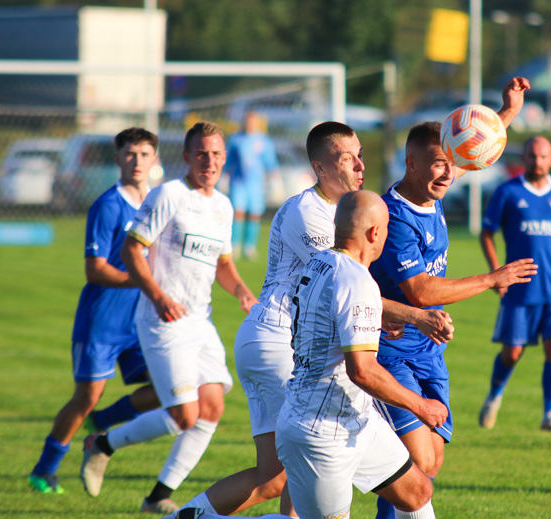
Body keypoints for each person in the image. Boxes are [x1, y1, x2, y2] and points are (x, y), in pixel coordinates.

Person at [168, 122, 454, 519]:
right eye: (345, 158)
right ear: (320, 168)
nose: (359, 165)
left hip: (284, 344)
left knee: (274, 478)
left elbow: (347, 291)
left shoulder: (342, 217)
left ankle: (188, 516)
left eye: (360, 155)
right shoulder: (311, 215)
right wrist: (414, 316)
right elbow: (348, 288)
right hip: (277, 342)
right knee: (305, 478)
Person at [370, 77, 538, 519]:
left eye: (450, 164)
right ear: (410, 163)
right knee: (418, 463)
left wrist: (508, 113)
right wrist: (491, 278)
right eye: (436, 165)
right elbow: (420, 290)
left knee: (429, 464)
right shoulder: (394, 217)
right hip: (388, 351)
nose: (447, 173)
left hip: (429, 349)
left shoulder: (433, 189)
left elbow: (471, 151)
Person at [79, 121, 258, 514]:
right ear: (186, 157)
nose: (208, 161)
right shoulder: (169, 195)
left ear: (225, 158)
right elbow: (131, 250)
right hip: (161, 320)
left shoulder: (223, 206)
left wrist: (243, 290)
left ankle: (158, 495)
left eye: (215, 154)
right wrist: (157, 296)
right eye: (201, 153)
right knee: (183, 414)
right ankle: (102, 443)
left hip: (200, 320)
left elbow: (223, 263)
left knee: (211, 408)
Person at [275, 190, 447, 519]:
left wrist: (377, 319)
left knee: (416, 492)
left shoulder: (321, 261)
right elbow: (363, 371)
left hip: (356, 419)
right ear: (375, 233)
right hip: (321, 432)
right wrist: (420, 405)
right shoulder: (357, 280)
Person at [28, 127, 162, 494]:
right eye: (130, 154)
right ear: (117, 158)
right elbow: (95, 268)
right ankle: (45, 469)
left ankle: (101, 424)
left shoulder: (159, 203)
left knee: (167, 388)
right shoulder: (107, 205)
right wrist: (144, 281)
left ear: (155, 160)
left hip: (140, 323)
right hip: (101, 321)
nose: (137, 161)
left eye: (144, 154)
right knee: (85, 397)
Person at [477, 135, 551, 432]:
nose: (537, 162)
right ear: (523, 159)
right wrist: (495, 273)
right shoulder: (508, 192)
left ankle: (550, 414)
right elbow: (486, 232)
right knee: (512, 352)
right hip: (520, 287)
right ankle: (494, 396)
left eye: (542, 157)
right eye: (531, 156)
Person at [225, 111, 279, 260]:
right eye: (247, 121)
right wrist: (224, 176)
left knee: (254, 215)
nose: (249, 124)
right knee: (238, 212)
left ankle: (250, 247)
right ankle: (234, 245)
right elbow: (229, 160)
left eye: (252, 122)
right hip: (238, 181)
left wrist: (275, 182)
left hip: (256, 183)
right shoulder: (236, 139)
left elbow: (270, 162)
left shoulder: (264, 140)